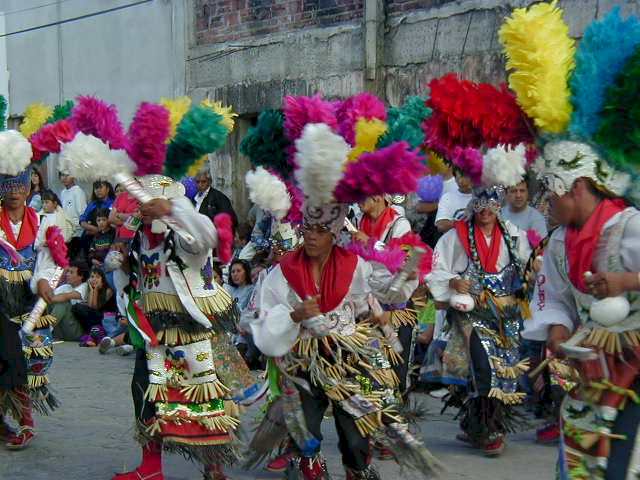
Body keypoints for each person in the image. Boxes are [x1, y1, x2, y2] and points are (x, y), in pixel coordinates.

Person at [111, 175, 243, 480]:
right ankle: (150, 467)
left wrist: (172, 209)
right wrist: (120, 265)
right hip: (153, 328)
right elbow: (135, 276)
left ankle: (214, 466)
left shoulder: (185, 233)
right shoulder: (139, 234)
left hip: (192, 327)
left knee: (203, 395)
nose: (142, 209)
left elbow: (205, 236)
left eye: (148, 203)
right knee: (144, 390)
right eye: (141, 203)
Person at [0, 163, 58, 450]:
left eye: (20, 188)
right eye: (9, 187)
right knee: (6, 362)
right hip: (0, 302)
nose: (14, 194)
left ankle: (25, 421)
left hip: (29, 303)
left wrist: (44, 281)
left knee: (29, 364)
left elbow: (49, 262)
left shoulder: (43, 222)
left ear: (29, 188)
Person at [49, 262, 90, 341]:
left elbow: (65, 296)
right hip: (61, 331)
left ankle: (44, 332)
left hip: (76, 332)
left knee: (63, 303)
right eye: (68, 271)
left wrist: (48, 298)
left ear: (80, 276)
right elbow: (49, 297)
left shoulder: (85, 287)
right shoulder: (66, 287)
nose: (67, 274)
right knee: (46, 304)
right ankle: (40, 329)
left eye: (71, 272)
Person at [75, 267, 115, 347]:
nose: (94, 279)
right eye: (92, 277)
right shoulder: (91, 289)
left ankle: (93, 337)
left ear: (102, 279)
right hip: (96, 317)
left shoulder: (108, 290)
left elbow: (95, 308)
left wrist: (95, 290)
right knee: (76, 308)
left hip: (106, 318)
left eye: (97, 277)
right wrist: (92, 290)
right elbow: (90, 307)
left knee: (82, 309)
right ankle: (92, 336)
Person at [79, 180, 115, 257]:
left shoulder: (114, 202)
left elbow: (114, 222)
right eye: (96, 188)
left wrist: (100, 231)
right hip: (92, 239)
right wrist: (94, 229)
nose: (98, 190)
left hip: (109, 238)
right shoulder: (92, 204)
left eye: (100, 187)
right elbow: (82, 220)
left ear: (108, 189)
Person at [434, 169, 473, 233]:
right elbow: (441, 225)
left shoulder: (484, 195)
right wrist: (464, 224)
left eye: (465, 176)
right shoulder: (447, 197)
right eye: (458, 177)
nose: (461, 181)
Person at [59, 172, 87, 258]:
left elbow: (82, 213)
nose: (64, 178)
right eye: (62, 175)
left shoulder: (78, 191)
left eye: (67, 175)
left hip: (77, 234)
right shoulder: (63, 192)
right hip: (67, 232)